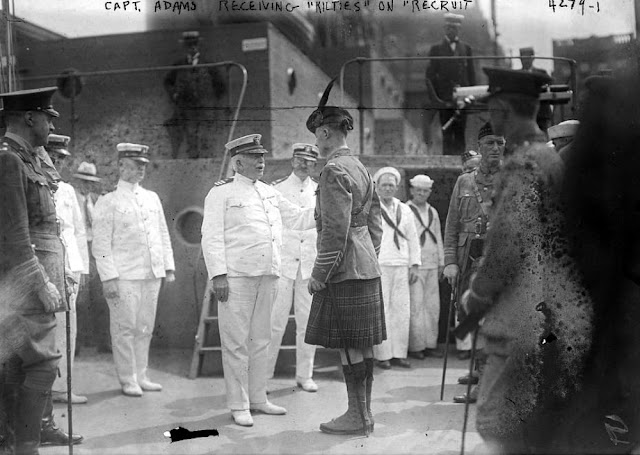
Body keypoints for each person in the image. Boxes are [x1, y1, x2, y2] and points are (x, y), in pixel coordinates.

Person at [458, 67, 593, 454]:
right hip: (552, 312)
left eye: (492, 111)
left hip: (520, 318)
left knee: (497, 423)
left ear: (501, 109)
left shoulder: (522, 166)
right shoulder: (551, 158)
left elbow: (504, 247)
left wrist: (476, 297)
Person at [201, 134, 314, 427]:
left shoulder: (269, 192)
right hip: (236, 278)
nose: (262, 163)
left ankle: (258, 398)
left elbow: (300, 219)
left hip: (268, 276)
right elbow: (211, 237)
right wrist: (219, 275)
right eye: (256, 158)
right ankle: (239, 405)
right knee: (236, 343)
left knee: (261, 340)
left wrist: (330, 207)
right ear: (238, 163)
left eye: (262, 157)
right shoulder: (221, 194)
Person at [304, 79, 385, 435]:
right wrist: (366, 255)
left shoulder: (333, 170)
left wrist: (320, 273)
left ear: (323, 133)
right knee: (362, 346)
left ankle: (356, 416)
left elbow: (334, 232)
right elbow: (376, 224)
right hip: (366, 267)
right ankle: (364, 415)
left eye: (316, 136)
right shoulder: (361, 167)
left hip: (343, 272)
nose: (315, 143)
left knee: (349, 347)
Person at [0, 87, 69, 454]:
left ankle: (18, 444)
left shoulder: (28, 158)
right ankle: (25, 446)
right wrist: (40, 281)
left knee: (19, 367)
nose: (50, 123)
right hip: (25, 285)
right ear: (29, 118)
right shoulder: (10, 160)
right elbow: (15, 233)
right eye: (48, 116)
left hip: (33, 280)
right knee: (40, 366)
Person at [92, 143, 176, 397]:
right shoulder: (108, 201)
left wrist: (168, 267)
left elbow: (162, 233)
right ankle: (128, 378)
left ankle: (142, 374)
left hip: (152, 273)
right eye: (135, 164)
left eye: (143, 165)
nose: (140, 169)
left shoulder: (151, 198)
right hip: (124, 275)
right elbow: (102, 243)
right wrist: (109, 277)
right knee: (124, 328)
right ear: (120, 166)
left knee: (145, 327)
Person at [443, 121, 505, 369]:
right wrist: (450, 262)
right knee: (472, 316)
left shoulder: (513, 179)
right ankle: (479, 372)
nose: (495, 148)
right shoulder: (464, 182)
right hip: (468, 257)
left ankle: (489, 378)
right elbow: (452, 225)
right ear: (479, 146)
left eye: (500, 143)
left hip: (501, 259)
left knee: (497, 317)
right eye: (490, 143)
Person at [267, 143, 320, 393]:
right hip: (283, 265)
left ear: (315, 165)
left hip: (309, 266)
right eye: (299, 159)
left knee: (307, 323)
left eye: (308, 161)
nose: (303, 164)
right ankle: (263, 377)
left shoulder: (321, 191)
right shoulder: (276, 189)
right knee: (274, 322)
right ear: (292, 161)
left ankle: (304, 375)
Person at [45, 134, 89, 406]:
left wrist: (79, 268)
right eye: (53, 156)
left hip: (69, 272)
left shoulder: (67, 191)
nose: (57, 163)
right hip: (43, 270)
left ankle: (62, 388)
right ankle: (42, 391)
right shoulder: (30, 184)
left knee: (67, 330)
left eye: (61, 158)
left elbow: (78, 233)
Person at [372, 167, 421, 370]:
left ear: (397, 187)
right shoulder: (372, 208)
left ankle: (399, 353)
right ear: (377, 187)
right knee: (381, 310)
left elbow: (413, 237)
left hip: (401, 263)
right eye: (384, 185)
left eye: (391, 185)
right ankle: (382, 356)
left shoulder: (405, 209)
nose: (388, 189)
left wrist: (414, 264)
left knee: (402, 310)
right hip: (381, 263)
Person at [163, 30, 227, 159]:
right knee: (190, 134)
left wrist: (212, 100)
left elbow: (221, 85)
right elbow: (167, 82)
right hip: (187, 108)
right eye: (189, 45)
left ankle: (207, 161)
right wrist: (174, 94)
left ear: (198, 46)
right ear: (185, 47)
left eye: (194, 44)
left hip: (205, 108)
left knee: (205, 135)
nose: (192, 47)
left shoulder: (209, 64)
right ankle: (193, 163)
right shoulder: (179, 64)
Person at [72, 161, 111, 354]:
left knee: (101, 297)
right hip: (78, 252)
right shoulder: (70, 199)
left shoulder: (95, 200)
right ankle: (77, 345)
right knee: (79, 299)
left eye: (90, 182)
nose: (86, 186)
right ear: (77, 181)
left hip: (95, 252)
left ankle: (104, 343)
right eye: (83, 181)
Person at [426, 13, 476, 156]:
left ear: (459, 30)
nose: (451, 31)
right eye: (449, 28)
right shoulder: (436, 49)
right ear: (444, 29)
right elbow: (430, 76)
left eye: (454, 28)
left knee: (460, 131)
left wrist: (472, 95)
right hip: (445, 97)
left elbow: (471, 75)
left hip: (463, 97)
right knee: (447, 131)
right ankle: (447, 161)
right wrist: (436, 98)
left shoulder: (466, 49)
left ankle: (461, 164)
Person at [406, 174, 445, 360]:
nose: (421, 194)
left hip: (431, 263)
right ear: (412, 190)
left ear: (429, 192)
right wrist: (410, 264)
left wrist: (441, 263)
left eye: (425, 191)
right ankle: (416, 346)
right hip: (415, 264)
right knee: (416, 305)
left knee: (432, 306)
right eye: (418, 190)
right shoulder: (405, 210)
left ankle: (430, 344)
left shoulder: (433, 211)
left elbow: (438, 237)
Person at [519, 47, 554, 133]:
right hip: (523, 114)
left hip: (541, 114)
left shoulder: (542, 73)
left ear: (533, 58)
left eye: (528, 58)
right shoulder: (517, 75)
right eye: (523, 58)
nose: (525, 61)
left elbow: (548, 86)